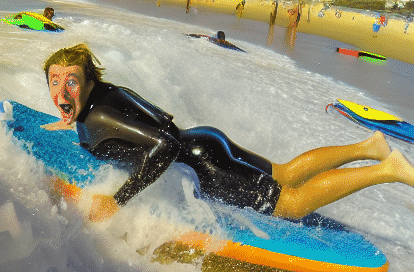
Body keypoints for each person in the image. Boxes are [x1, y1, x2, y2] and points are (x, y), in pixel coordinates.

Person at [40, 43, 414, 223]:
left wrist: (116, 201)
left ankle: (388, 169)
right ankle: (369, 145)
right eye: (54, 82)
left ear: (88, 80)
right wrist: (70, 118)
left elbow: (165, 147)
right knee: (282, 172)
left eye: (70, 82)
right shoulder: (107, 93)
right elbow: (160, 121)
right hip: (205, 140)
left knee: (293, 203)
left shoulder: (99, 117)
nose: (61, 91)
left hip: (203, 167)